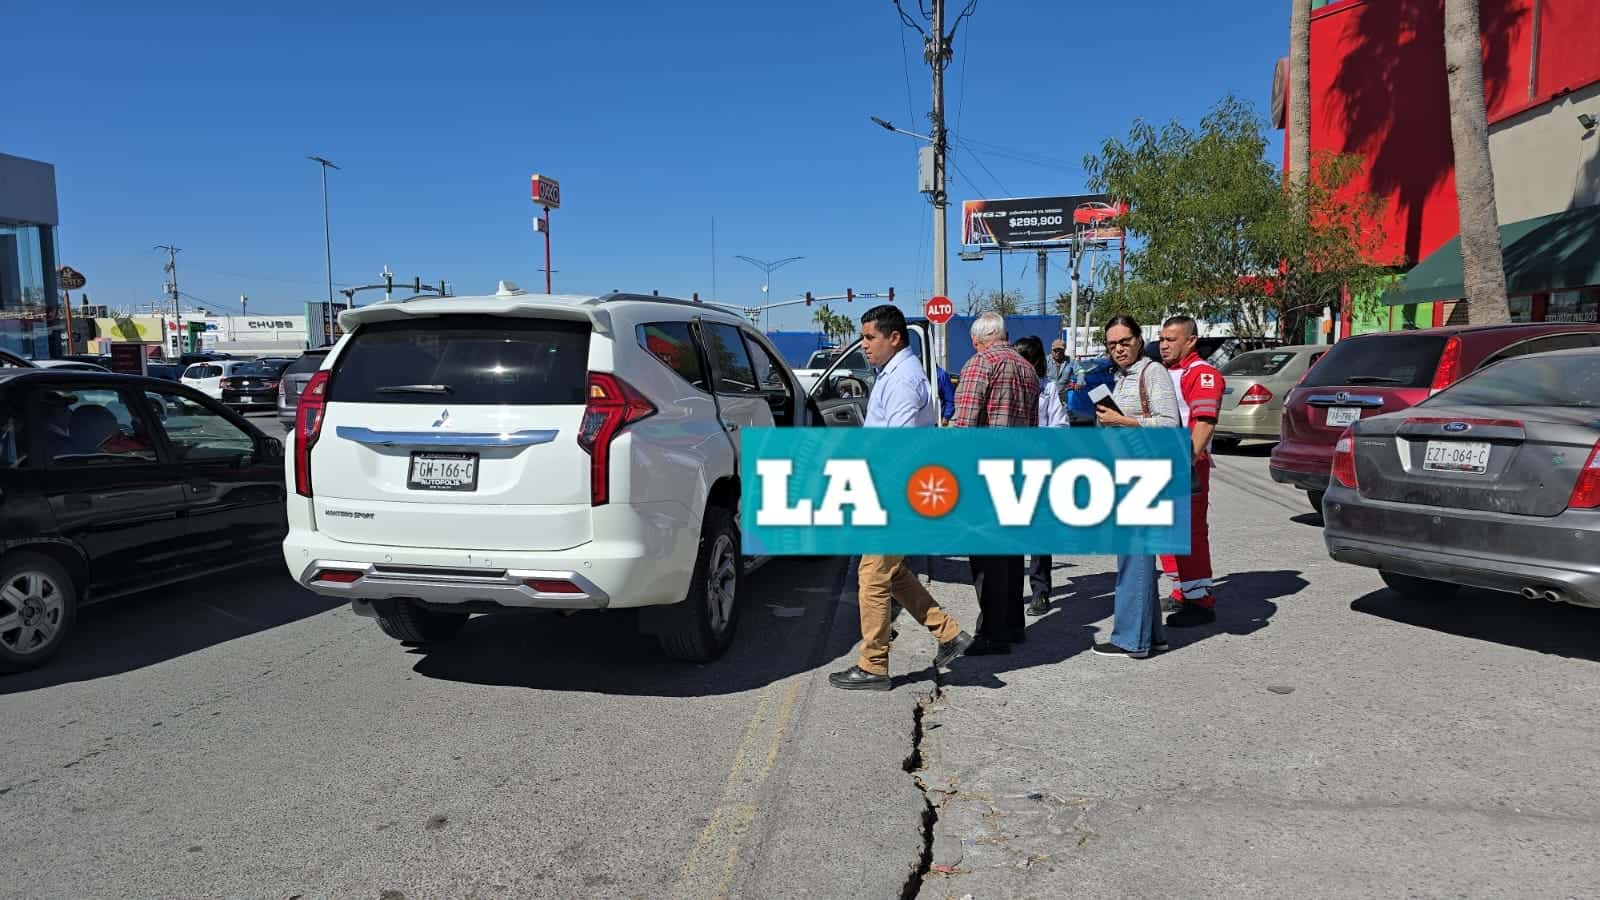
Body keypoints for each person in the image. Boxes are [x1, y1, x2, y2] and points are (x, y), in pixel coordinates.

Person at [829, 305, 973, 691]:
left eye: (869, 337)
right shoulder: (893, 374)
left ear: (894, 337)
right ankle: (949, 634)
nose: (864, 345)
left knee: (872, 576)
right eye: (863, 337)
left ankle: (873, 664)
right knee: (893, 573)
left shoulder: (903, 379)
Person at [950, 311, 1039, 655]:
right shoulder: (1028, 369)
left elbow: (966, 425)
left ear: (977, 340)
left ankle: (992, 632)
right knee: (1011, 553)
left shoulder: (978, 364)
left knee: (985, 558)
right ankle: (1013, 626)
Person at [1093, 314, 1181, 659]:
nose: (1118, 349)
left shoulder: (1152, 372)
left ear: (1139, 340)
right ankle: (1152, 636)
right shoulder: (1121, 378)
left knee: (1135, 561)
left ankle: (1131, 640)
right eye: (1112, 344)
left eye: (1124, 342)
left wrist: (1122, 420)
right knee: (1136, 558)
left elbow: (1169, 424)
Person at [1156, 315, 1225, 627]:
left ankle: (1200, 602)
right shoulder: (1164, 373)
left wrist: (1187, 463)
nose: (1164, 344)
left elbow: (1205, 421)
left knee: (1190, 534)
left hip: (1186, 466)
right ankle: (1182, 590)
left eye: (1171, 339)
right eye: (1162, 339)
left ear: (1191, 340)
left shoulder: (1202, 373)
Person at [1013, 336, 1068, 617]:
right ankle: (1009, 593)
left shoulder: (1048, 389)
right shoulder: (1008, 388)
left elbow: (1061, 426)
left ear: (1036, 363)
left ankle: (1040, 592)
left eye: (1024, 360)